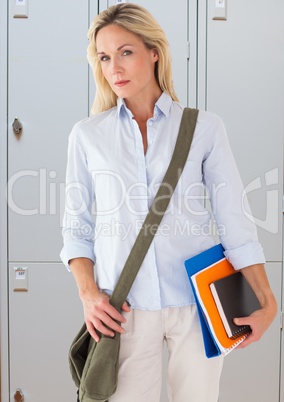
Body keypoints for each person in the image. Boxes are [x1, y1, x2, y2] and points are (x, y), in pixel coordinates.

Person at [60, 3, 277, 402]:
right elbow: (76, 228)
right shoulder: (88, 135)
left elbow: (235, 221)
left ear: (154, 52)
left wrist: (266, 299)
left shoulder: (204, 128)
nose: (115, 68)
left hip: (198, 306)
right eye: (105, 57)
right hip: (123, 308)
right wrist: (88, 294)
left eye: (126, 52)